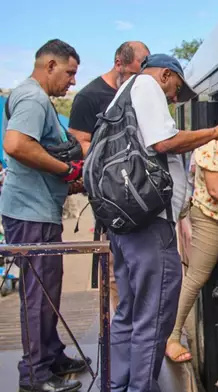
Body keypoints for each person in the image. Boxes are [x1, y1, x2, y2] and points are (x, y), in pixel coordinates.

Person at [103, 53, 218, 392]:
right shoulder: (148, 86)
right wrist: (213, 132)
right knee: (154, 316)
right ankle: (141, 387)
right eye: (175, 91)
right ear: (166, 75)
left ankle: (120, 383)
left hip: (126, 225)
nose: (173, 99)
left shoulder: (123, 93)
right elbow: (164, 142)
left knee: (129, 310)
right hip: (151, 226)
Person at [1, 39, 86, 392]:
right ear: (50, 65)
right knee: (38, 295)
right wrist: (65, 169)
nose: (72, 82)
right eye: (69, 73)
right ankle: (34, 374)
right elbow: (16, 145)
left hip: (39, 210)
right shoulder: (34, 98)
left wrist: (70, 179)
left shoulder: (37, 100)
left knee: (48, 289)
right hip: (30, 213)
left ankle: (51, 355)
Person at [67, 41, 149, 314]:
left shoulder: (138, 93)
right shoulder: (89, 97)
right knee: (114, 270)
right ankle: (119, 324)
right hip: (109, 197)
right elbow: (78, 142)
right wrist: (117, 158)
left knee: (140, 263)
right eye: (140, 67)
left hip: (139, 196)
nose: (143, 75)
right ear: (119, 63)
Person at [165, 138, 218, 363]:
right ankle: (172, 337)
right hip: (212, 218)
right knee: (196, 277)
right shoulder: (213, 144)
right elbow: (216, 190)